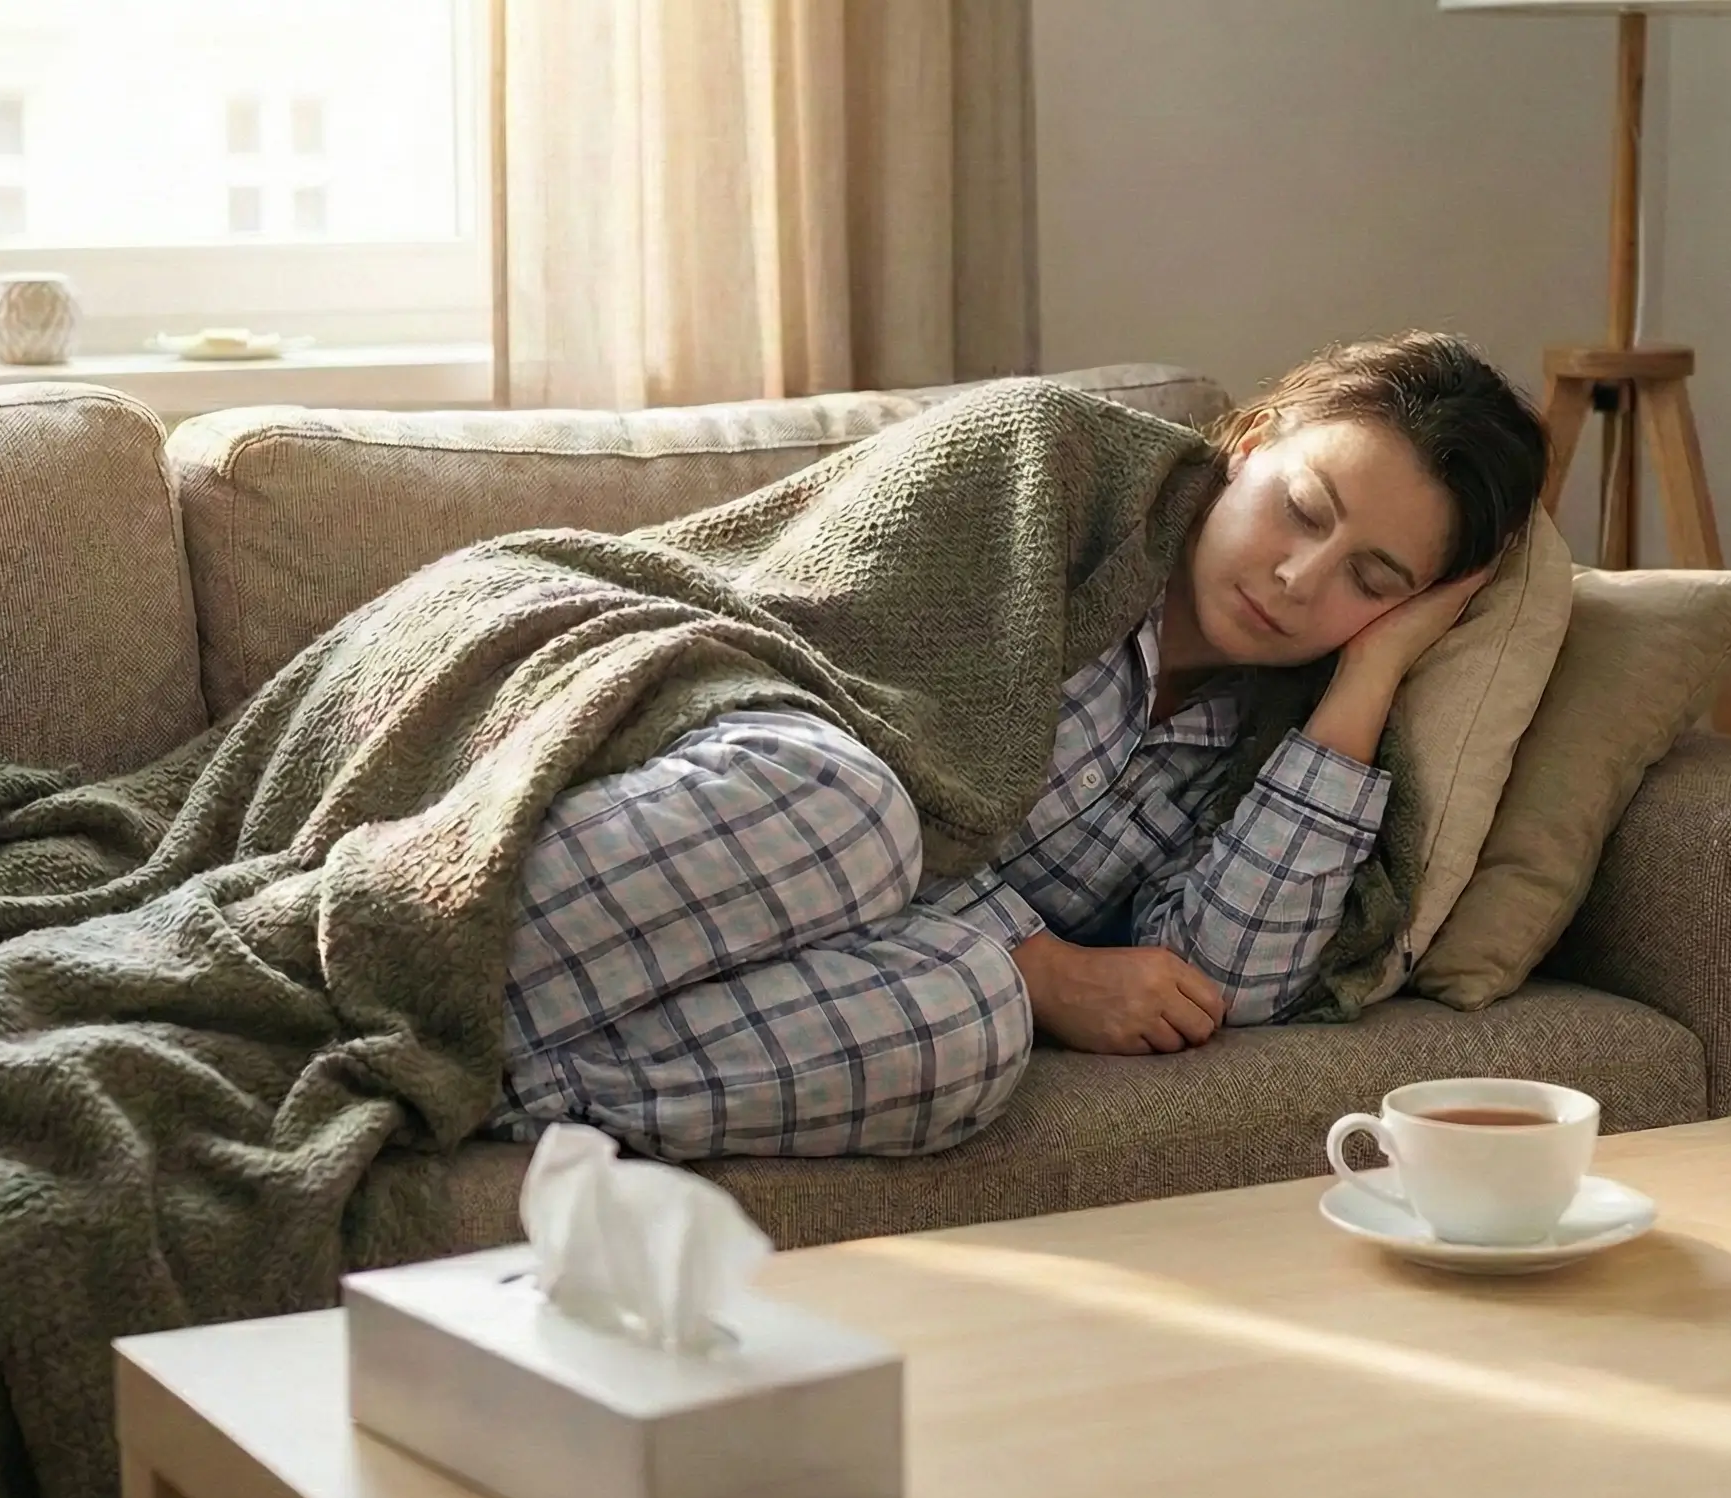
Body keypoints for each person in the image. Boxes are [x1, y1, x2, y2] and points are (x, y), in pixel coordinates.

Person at [490, 332, 1549, 1163]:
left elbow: (1219, 986)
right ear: (1251, 440)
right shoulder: (1039, 465)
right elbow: (804, 689)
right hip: (663, 769)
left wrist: (1367, 679)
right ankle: (408, 969)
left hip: (775, 939)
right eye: (1302, 510)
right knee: (849, 809)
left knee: (972, 1022)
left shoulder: (1260, 735)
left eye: (1372, 582)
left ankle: (483, 1086)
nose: (1299, 582)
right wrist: (1041, 961)